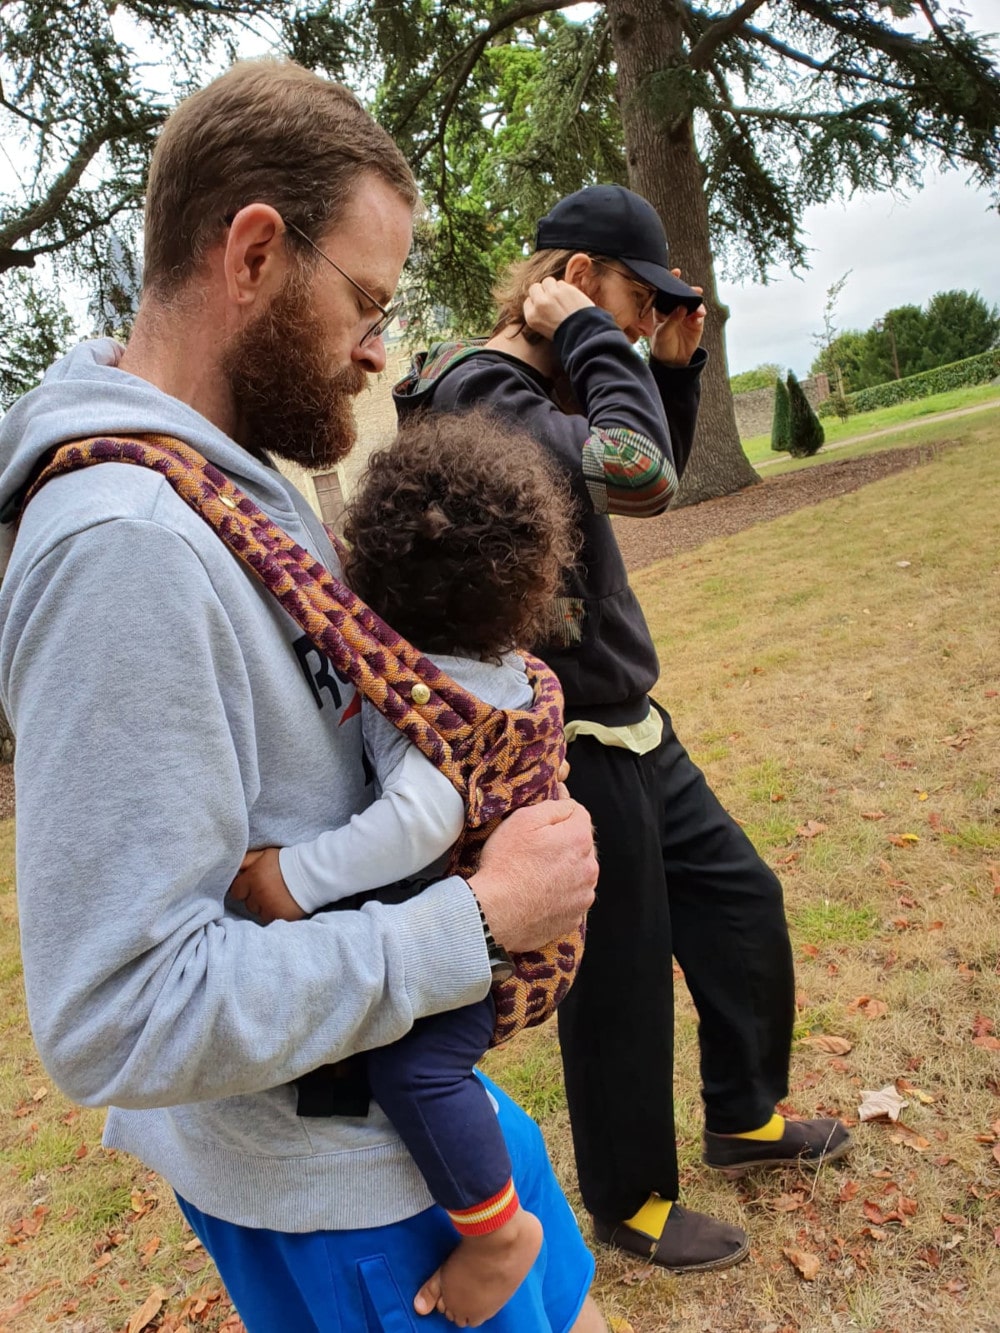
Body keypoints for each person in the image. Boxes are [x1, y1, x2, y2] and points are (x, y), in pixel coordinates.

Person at [0, 62, 606, 1333]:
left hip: (396, 1125)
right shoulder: (122, 544)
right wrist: (480, 919)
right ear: (257, 254)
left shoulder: (232, 483)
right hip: (346, 1207)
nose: (380, 347)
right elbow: (117, 1012)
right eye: (367, 303)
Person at [392, 183, 852, 1274]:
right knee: (624, 973)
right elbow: (633, 469)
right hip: (564, 737)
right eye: (637, 300)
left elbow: (642, 483)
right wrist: (598, 335)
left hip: (629, 716)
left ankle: (743, 1118)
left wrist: (674, 370)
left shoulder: (542, 387)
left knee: (741, 901)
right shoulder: (481, 391)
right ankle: (632, 1201)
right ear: (575, 276)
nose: (641, 325)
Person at [229, 410, 581, 1326]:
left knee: (419, 1074)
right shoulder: (505, 669)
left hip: (478, 927)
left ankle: (498, 1231)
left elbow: (424, 819)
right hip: (520, 914)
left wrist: (291, 879)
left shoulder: (422, 692)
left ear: (370, 565)